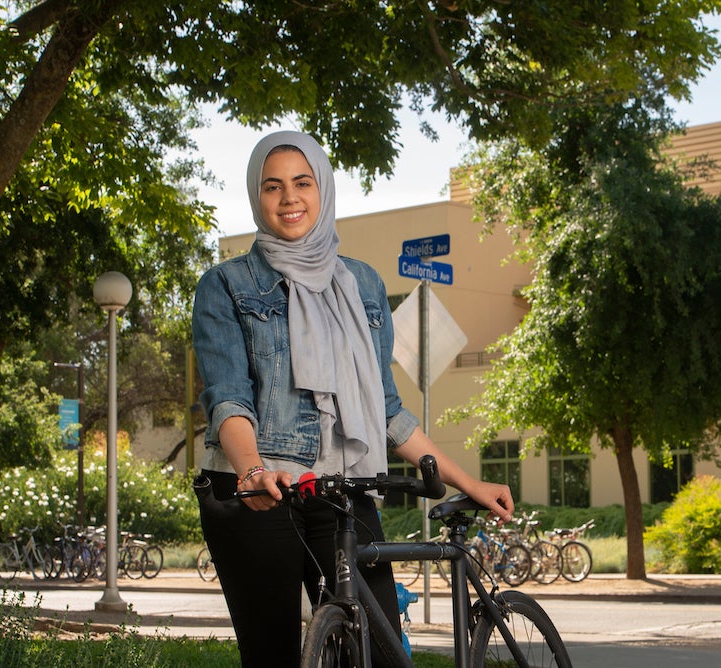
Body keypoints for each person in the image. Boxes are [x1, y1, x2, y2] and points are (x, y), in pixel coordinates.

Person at [191, 130, 514, 667]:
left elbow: (387, 408)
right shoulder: (225, 285)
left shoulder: (362, 285)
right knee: (271, 654)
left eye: (302, 182)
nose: (289, 198)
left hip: (342, 487)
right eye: (272, 187)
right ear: (256, 195)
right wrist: (252, 472)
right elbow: (227, 397)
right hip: (257, 490)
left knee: (382, 648)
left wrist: (466, 481)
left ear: (323, 189)